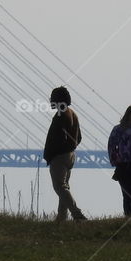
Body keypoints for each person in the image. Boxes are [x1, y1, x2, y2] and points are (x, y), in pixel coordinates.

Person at [42, 85, 87, 221]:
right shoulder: (72, 113)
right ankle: (61, 218)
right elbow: (79, 137)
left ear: (58, 99)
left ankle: (77, 214)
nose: (50, 100)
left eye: (52, 98)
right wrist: (70, 148)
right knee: (64, 187)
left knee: (59, 187)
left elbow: (59, 138)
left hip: (59, 157)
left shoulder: (61, 115)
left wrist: (54, 153)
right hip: (70, 155)